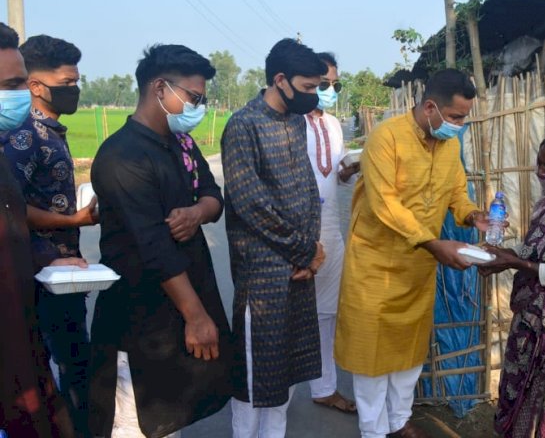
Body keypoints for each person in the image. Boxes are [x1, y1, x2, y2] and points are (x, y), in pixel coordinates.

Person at [335, 68, 489, 438]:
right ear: (430, 107)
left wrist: (472, 214)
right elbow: (385, 204)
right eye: (455, 117)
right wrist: (435, 243)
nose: (460, 124)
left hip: (417, 267)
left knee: (408, 354)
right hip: (375, 266)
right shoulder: (385, 138)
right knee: (370, 357)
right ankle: (373, 430)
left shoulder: (449, 145)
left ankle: (399, 420)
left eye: (464, 117)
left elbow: (456, 193)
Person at [88, 45, 232, 437]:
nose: (198, 107)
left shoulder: (180, 144)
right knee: (135, 422)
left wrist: (197, 212)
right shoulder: (122, 157)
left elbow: (213, 196)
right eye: (193, 97)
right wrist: (197, 315)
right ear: (159, 88)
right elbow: (153, 246)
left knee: (172, 418)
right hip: (141, 318)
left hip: (178, 310)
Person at [222, 38, 327, 438]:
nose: (312, 96)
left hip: (299, 270)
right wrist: (307, 251)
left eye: (317, 88)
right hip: (263, 276)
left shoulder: (296, 122)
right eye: (307, 87)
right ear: (279, 80)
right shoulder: (244, 125)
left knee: (284, 378)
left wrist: (309, 255)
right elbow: (252, 205)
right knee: (254, 377)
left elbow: (303, 188)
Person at [0, 34, 97, 435]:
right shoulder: (24, 137)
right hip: (37, 276)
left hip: (52, 264)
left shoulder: (50, 130)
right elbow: (15, 212)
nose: (72, 91)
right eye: (12, 86)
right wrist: (72, 222)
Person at [478, 130, 545, 438]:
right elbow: (537, 252)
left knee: (542, 400)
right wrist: (504, 255)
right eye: (539, 164)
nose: (541, 173)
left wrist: (518, 264)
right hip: (528, 319)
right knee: (517, 390)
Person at [304, 52, 358, 414]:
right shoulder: (289, 122)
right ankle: (270, 399)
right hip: (294, 230)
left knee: (326, 312)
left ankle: (324, 387)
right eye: (324, 84)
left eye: (336, 84)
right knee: (281, 314)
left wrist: (350, 167)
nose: (331, 90)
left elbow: (334, 168)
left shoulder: (335, 124)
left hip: (331, 229)